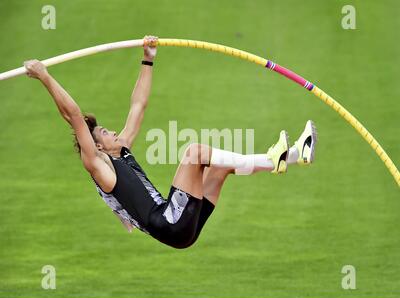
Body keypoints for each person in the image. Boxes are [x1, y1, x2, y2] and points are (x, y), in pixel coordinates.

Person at [23, 35, 317, 249]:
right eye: (104, 134)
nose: (112, 133)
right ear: (97, 147)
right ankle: (274, 158)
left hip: (180, 227)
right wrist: (44, 76)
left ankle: (291, 156)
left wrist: (148, 58)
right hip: (170, 223)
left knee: (218, 169)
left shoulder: (121, 151)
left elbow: (138, 106)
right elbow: (73, 115)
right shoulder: (99, 166)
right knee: (195, 153)